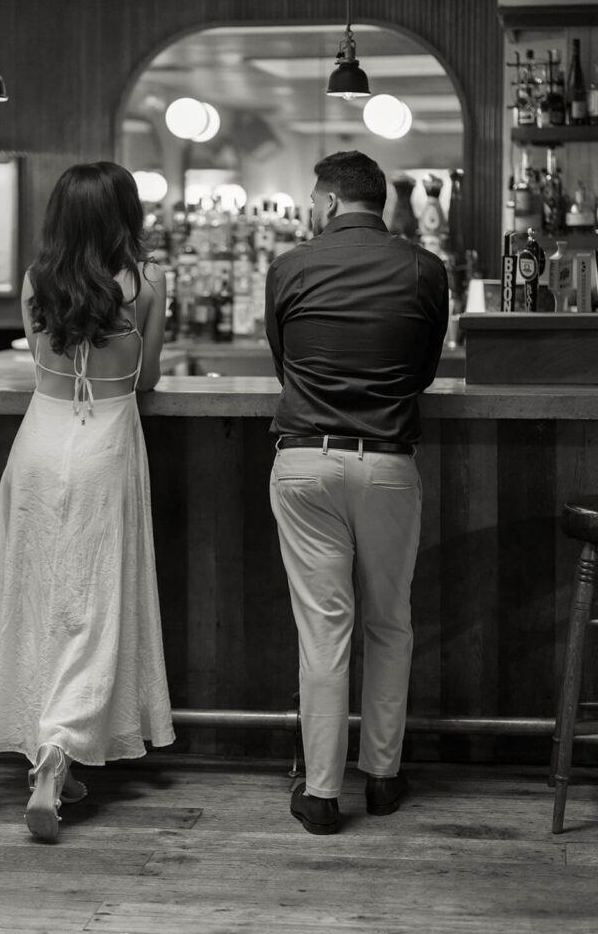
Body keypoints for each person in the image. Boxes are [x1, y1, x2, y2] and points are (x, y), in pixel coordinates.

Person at [0, 161, 175, 842]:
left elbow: (39, 357)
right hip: (107, 442)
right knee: (93, 602)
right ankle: (60, 749)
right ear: (125, 215)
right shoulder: (145, 284)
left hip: (39, 441)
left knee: (36, 596)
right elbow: (145, 377)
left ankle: (44, 748)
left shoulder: (36, 281)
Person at [265, 151, 448, 835]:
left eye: (315, 201)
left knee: (323, 632)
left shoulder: (289, 267)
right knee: (390, 623)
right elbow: (423, 370)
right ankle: (382, 777)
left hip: (305, 462)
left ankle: (319, 795)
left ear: (333, 201)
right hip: (388, 462)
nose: (312, 212)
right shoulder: (426, 269)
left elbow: (284, 366)